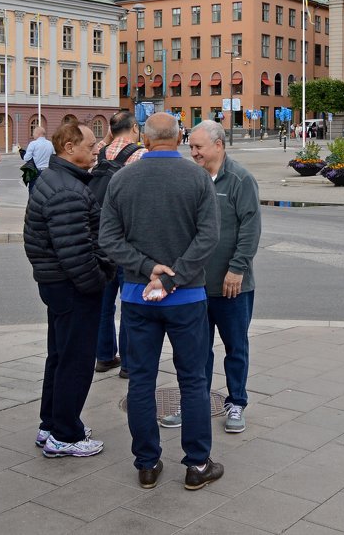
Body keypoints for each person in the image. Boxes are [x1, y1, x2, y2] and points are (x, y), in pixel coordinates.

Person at [98, 113, 222, 491]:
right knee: (193, 380)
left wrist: (147, 268)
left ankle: (147, 463)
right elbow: (209, 236)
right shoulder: (197, 177)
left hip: (139, 297)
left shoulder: (122, 179)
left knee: (140, 382)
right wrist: (175, 276)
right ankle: (197, 464)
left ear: (146, 140)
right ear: (180, 137)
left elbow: (108, 239)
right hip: (186, 297)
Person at [161, 120, 259, 435]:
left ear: (218, 145)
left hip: (233, 286)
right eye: (190, 147)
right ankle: (194, 403)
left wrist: (238, 268)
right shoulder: (191, 180)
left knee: (236, 347)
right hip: (195, 287)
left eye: (198, 147)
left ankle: (236, 403)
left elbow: (250, 228)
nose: (193, 153)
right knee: (195, 350)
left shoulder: (241, 179)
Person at [24, 122, 112, 458]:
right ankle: (65, 434)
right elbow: (75, 252)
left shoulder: (60, 181)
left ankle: (52, 424)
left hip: (59, 285)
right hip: (73, 288)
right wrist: (98, 283)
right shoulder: (67, 190)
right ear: (70, 146)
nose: (96, 150)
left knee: (60, 356)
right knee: (75, 360)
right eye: (90, 146)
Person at [93, 110, 144, 379]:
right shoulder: (141, 155)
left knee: (104, 303)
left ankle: (103, 356)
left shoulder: (98, 153)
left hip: (102, 238)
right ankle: (127, 363)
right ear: (134, 127)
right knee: (130, 302)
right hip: (128, 239)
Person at [23, 127, 54, 193]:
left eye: (34, 132)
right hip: (47, 172)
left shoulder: (33, 144)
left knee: (33, 191)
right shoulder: (50, 144)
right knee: (46, 192)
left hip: (35, 172)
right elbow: (54, 156)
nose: (33, 134)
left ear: (38, 133)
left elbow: (26, 158)